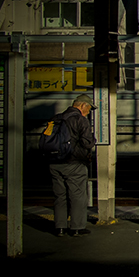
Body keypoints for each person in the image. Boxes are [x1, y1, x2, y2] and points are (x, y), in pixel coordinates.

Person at [49, 93, 97, 237]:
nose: (88, 112)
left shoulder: (56, 118)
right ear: (83, 106)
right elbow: (88, 142)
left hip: (54, 162)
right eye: (88, 109)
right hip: (74, 163)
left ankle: (60, 228)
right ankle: (77, 227)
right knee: (77, 196)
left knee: (60, 196)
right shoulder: (80, 120)